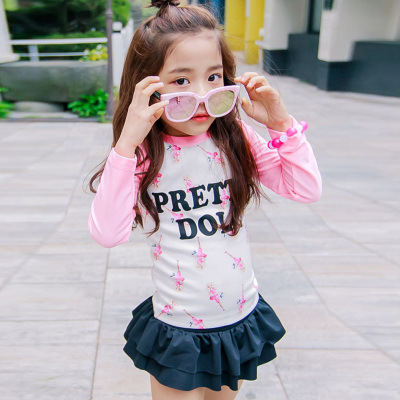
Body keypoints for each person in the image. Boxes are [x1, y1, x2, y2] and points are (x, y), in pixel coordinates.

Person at [87, 0, 322, 398]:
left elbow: (305, 188)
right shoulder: (144, 155)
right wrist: (126, 143)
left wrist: (281, 123)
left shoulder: (235, 137)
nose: (201, 94)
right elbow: (108, 233)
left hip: (238, 316)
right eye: (181, 80)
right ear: (149, 88)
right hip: (178, 325)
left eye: (213, 77)